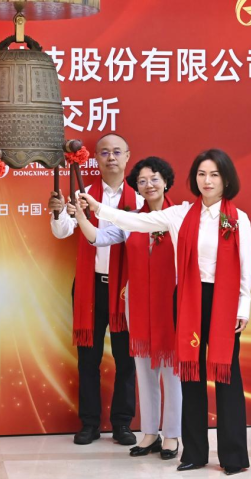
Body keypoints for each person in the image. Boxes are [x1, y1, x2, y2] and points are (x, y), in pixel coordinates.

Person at [79, 149, 251, 475]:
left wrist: (243, 307)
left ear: (226, 179)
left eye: (214, 175)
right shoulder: (180, 215)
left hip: (224, 303)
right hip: (187, 299)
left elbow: (246, 267)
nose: (207, 181)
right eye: (201, 174)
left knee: (227, 378)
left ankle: (233, 457)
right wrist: (98, 208)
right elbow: (136, 221)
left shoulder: (238, 218)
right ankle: (194, 453)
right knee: (190, 377)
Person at [76, 157, 182, 459]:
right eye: (142, 181)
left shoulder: (179, 215)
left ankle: (172, 435)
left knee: (172, 372)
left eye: (155, 179)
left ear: (166, 181)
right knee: (144, 371)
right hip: (137, 304)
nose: (149, 185)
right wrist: (82, 215)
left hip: (170, 303)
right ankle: (149, 433)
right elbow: (98, 237)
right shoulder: (131, 219)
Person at [48, 133, 143, 446]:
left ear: (128, 156)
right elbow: (63, 232)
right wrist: (58, 212)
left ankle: (122, 424)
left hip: (126, 291)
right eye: (104, 152)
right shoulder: (83, 194)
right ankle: (89, 423)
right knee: (88, 360)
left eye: (117, 151)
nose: (111, 157)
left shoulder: (140, 199)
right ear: (96, 159)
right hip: (91, 287)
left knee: (126, 359)